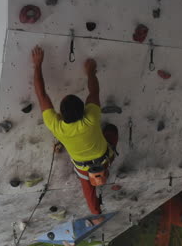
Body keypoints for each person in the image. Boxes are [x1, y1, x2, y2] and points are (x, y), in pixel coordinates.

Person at [31, 45, 118, 225]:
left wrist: (37, 65)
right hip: (105, 157)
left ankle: (97, 214)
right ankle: (96, 206)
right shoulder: (91, 118)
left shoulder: (57, 126)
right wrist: (90, 72)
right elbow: (94, 92)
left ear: (60, 115)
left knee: (89, 192)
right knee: (111, 130)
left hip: (87, 167)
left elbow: (41, 95)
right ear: (84, 110)